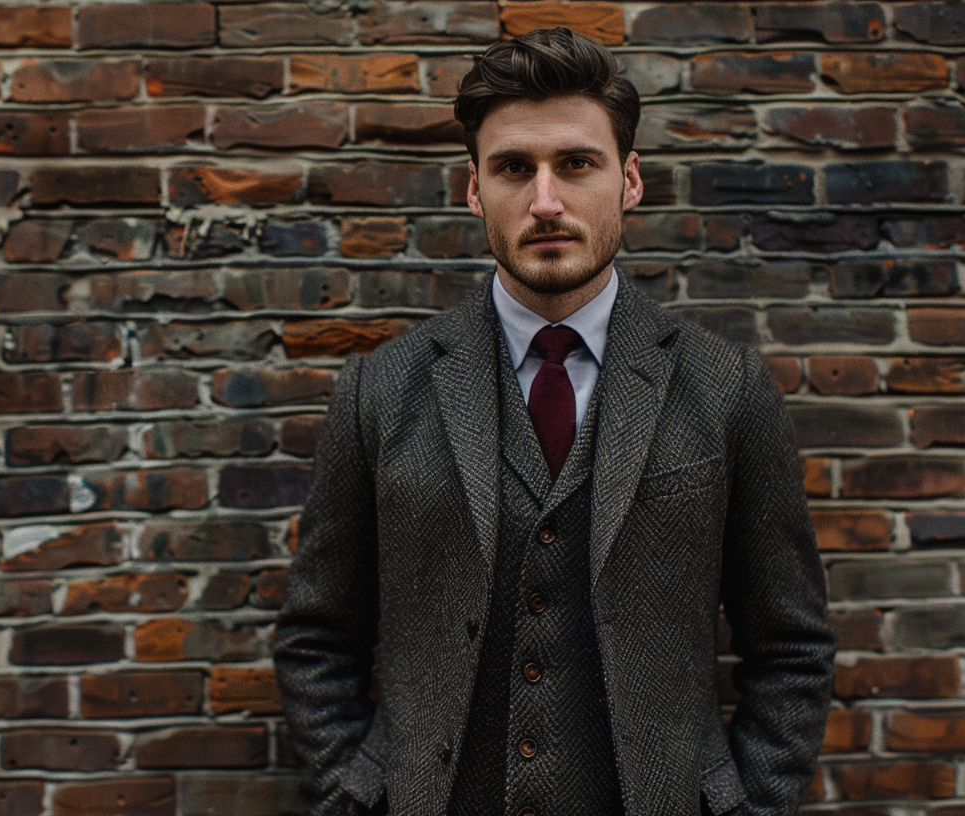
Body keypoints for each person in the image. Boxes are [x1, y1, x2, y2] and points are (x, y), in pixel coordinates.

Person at [273, 27, 835, 816]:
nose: (545, 201)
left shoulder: (725, 388)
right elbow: (317, 638)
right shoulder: (381, 390)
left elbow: (790, 648)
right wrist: (355, 793)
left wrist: (751, 804)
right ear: (473, 189)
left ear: (630, 180)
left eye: (576, 164)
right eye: (513, 168)